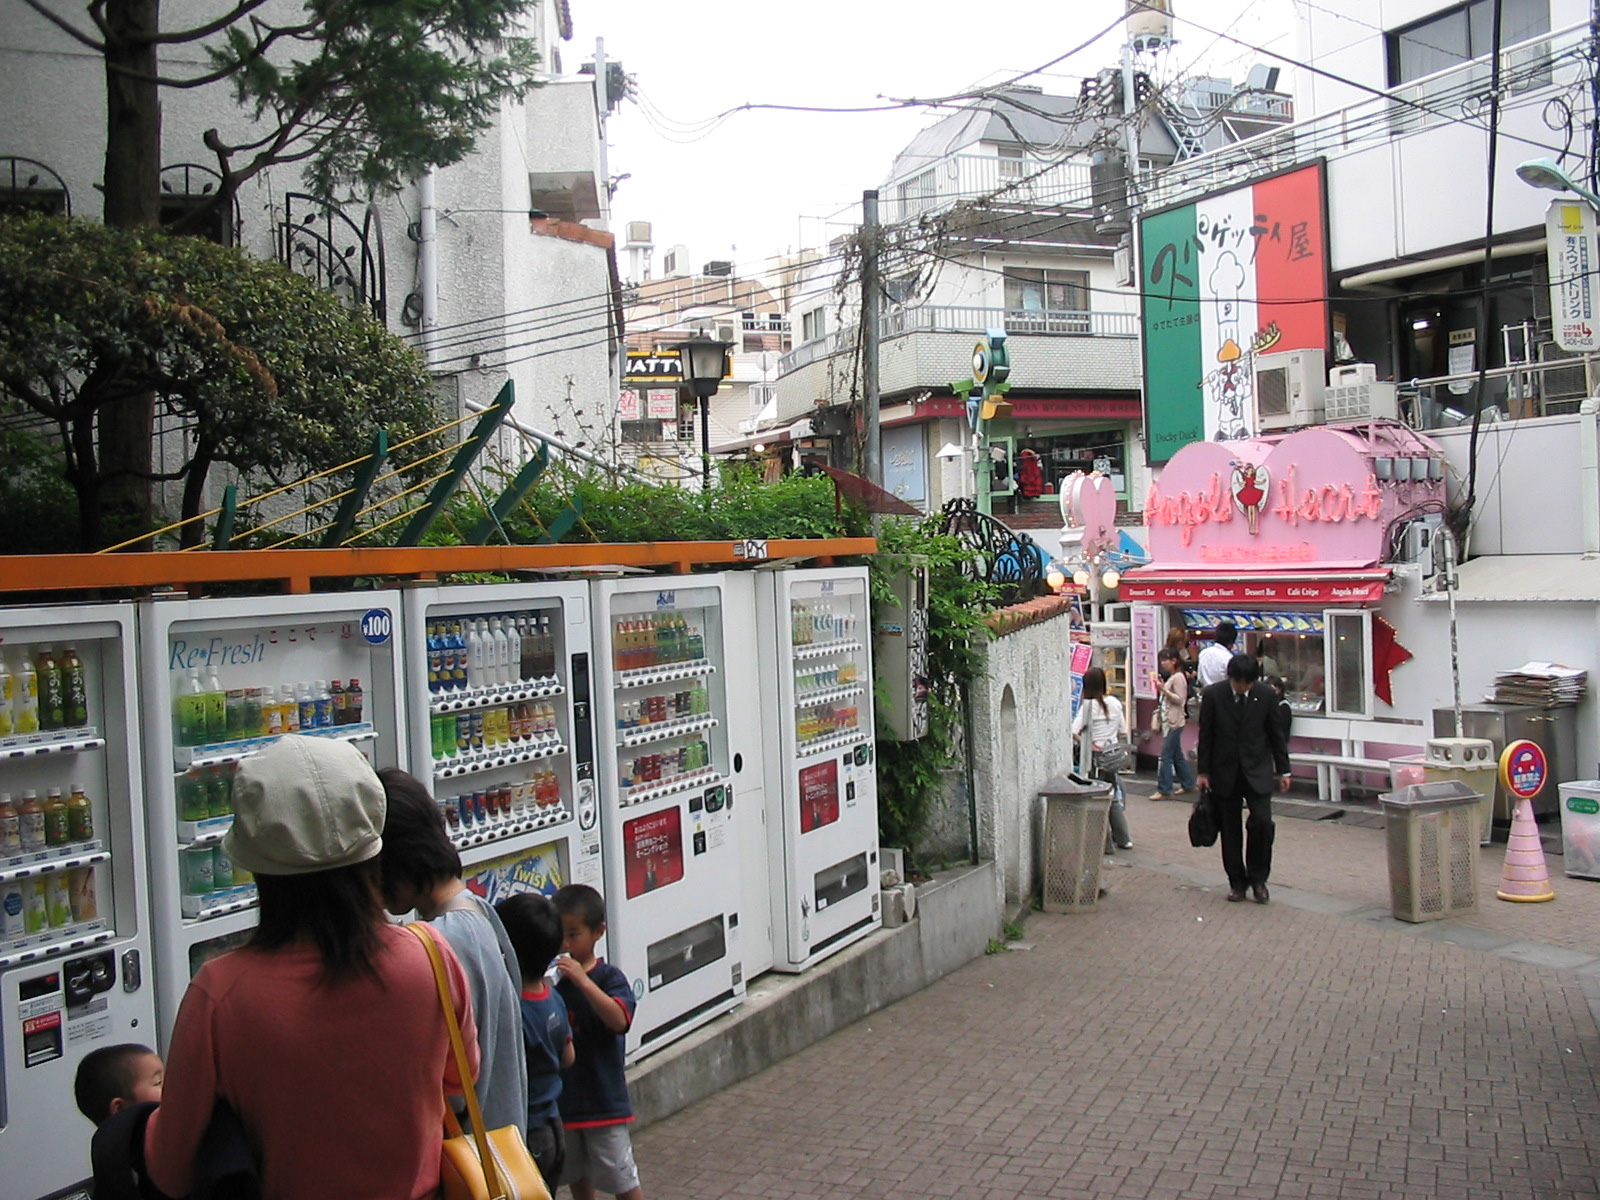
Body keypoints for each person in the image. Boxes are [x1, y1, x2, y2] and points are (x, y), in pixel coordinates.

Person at [144, 735, 479, 1200]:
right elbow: (459, 1077)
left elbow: (169, 1168)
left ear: (255, 863)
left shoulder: (219, 993)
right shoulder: (430, 954)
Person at [379, 768, 528, 1139]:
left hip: (471, 1159)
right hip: (504, 1144)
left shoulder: (439, 943)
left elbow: (449, 1087)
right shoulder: (479, 912)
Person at [552, 884, 644, 1200]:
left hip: (604, 1103)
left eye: (573, 934)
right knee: (577, 1178)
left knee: (622, 1180)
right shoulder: (553, 984)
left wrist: (582, 979)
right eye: (559, 935)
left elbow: (619, 1020)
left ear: (598, 932)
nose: (564, 944)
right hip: (565, 1104)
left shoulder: (609, 977)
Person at [1196, 654, 1292, 904]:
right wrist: (1203, 772)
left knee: (1262, 822)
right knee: (1230, 829)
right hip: (1224, 771)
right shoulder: (1214, 695)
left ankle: (1259, 879)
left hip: (1257, 770)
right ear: (1231, 678)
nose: (1244, 688)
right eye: (1240, 684)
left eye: (1248, 684)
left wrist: (1284, 770)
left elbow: (1275, 734)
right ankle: (1237, 882)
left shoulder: (1266, 695)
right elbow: (1206, 735)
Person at [497, 892, 575, 1186]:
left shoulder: (513, 1010)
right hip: (554, 1126)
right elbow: (568, 1057)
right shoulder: (551, 996)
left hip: (525, 1133)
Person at [1071, 666, 1131, 851]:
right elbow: (1122, 730)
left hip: (1095, 760)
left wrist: (1089, 744)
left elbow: (1074, 731)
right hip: (1112, 758)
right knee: (1112, 797)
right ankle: (1124, 839)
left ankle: (1104, 844)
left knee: (1097, 799)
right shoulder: (1114, 702)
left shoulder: (1088, 707)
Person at [1150, 649, 1198, 799]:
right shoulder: (1175, 676)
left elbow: (1180, 699)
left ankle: (1164, 789)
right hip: (1172, 720)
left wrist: (1163, 690)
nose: (1164, 663)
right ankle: (1188, 783)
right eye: (1162, 660)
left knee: (1166, 755)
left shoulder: (1178, 677)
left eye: (1167, 660)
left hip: (1174, 720)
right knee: (1177, 754)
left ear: (1174, 661)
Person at [1196, 619, 1237, 689]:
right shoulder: (1229, 658)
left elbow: (1200, 678)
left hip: (1206, 693)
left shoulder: (1203, 653)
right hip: (1223, 695)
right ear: (1231, 643)